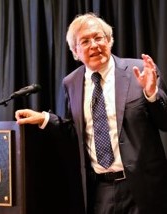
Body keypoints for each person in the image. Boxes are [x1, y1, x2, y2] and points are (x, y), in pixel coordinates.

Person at [15, 13, 167, 214]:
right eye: (85, 41)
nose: (94, 45)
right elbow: (75, 131)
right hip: (101, 190)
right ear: (75, 52)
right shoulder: (71, 82)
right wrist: (45, 119)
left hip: (144, 188)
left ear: (109, 41)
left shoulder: (138, 70)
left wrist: (151, 94)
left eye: (98, 38)